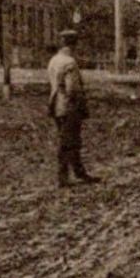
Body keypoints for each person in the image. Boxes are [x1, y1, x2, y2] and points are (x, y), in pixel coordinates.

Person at [47, 28, 100, 187]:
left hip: (56, 105)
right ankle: (65, 177)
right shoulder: (69, 62)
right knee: (69, 142)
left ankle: (78, 172)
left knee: (68, 140)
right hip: (69, 106)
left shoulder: (54, 60)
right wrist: (79, 104)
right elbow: (72, 88)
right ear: (74, 45)